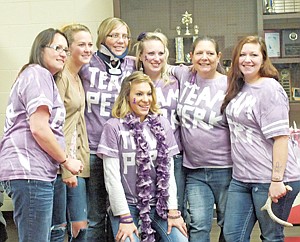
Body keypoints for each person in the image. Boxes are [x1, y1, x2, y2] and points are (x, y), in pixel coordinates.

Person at [0, 28, 83, 242]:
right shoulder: (38, 74)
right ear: (40, 49)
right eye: (57, 48)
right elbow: (39, 128)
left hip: (33, 172)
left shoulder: (36, 75)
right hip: (30, 172)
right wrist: (66, 161)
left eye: (65, 49)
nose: (63, 54)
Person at [221, 35, 300, 241]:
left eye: (254, 55)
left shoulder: (269, 89)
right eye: (243, 54)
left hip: (271, 179)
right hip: (242, 179)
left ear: (263, 59)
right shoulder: (239, 87)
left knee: (271, 237)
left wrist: (277, 180)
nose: (248, 59)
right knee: (232, 235)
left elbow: (281, 138)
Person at [97, 71, 188, 242]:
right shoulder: (113, 127)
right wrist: (124, 217)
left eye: (148, 94)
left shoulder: (162, 124)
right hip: (127, 206)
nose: (145, 99)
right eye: (138, 94)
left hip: (158, 205)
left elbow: (169, 174)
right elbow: (112, 178)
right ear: (126, 96)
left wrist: (173, 211)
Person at [170, 36, 233, 242]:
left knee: (229, 224)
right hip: (194, 170)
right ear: (191, 57)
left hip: (226, 170)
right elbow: (159, 63)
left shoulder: (229, 84)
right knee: (198, 225)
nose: (204, 58)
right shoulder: (184, 74)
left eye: (210, 53)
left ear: (218, 57)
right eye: (199, 53)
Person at [79, 17, 136, 242]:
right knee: (94, 216)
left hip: (123, 150)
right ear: (102, 37)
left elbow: (159, 65)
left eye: (124, 36)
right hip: (93, 149)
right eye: (114, 35)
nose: (120, 41)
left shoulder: (132, 64)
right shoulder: (86, 65)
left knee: (120, 210)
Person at [134, 31, 186, 216]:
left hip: (174, 155)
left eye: (161, 53)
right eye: (151, 54)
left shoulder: (177, 80)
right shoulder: (134, 83)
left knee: (175, 209)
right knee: (148, 208)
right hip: (142, 156)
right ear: (141, 56)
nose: (156, 58)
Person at [50, 24, 93, 242]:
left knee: (80, 227)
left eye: (90, 44)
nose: (87, 49)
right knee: (60, 228)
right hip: (60, 163)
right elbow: (53, 125)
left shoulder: (78, 76)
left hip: (77, 160)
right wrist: (64, 166)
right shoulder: (61, 77)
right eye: (81, 44)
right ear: (68, 49)